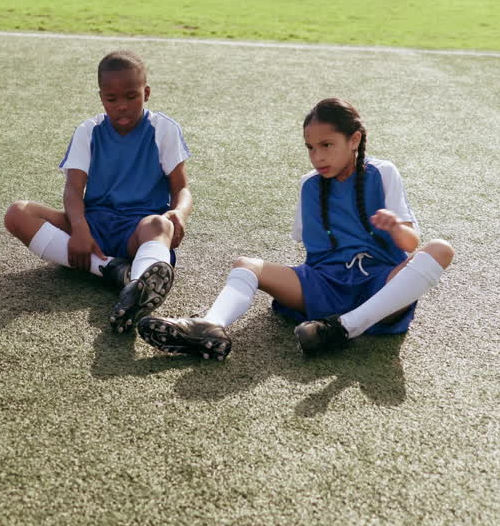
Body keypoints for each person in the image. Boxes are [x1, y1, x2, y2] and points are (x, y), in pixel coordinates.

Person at [138, 97, 454, 359]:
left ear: (354, 139)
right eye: (310, 147)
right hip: (324, 285)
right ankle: (210, 325)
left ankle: (343, 328)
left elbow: (411, 243)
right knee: (246, 265)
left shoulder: (383, 173)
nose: (317, 156)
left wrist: (395, 225)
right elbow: (313, 254)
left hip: (379, 287)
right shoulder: (309, 186)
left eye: (327, 145)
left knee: (440, 249)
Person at [4, 51, 192, 334]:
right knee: (18, 213)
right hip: (93, 226)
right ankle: (115, 271)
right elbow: (73, 190)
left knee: (159, 224)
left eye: (131, 96)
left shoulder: (163, 129)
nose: (122, 107)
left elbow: (182, 188)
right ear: (101, 97)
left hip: (138, 231)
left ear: (147, 92)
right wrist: (79, 229)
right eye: (111, 99)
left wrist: (179, 212)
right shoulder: (88, 131)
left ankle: (138, 283)